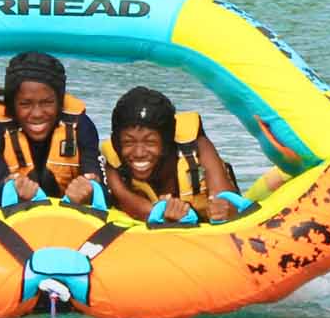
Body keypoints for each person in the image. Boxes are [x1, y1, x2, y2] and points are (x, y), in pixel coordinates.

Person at [0, 51, 103, 210]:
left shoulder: (82, 126)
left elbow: (102, 192)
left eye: (47, 102)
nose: (37, 114)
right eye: (25, 104)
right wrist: (14, 194)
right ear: (12, 103)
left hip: (68, 216)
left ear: (60, 101)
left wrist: (89, 192)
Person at [103, 86, 244, 223]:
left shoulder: (198, 147)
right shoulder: (114, 167)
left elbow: (225, 198)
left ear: (166, 141)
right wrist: (168, 214)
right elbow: (145, 212)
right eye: (128, 142)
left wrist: (221, 209)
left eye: (150, 142)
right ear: (117, 143)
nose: (139, 153)